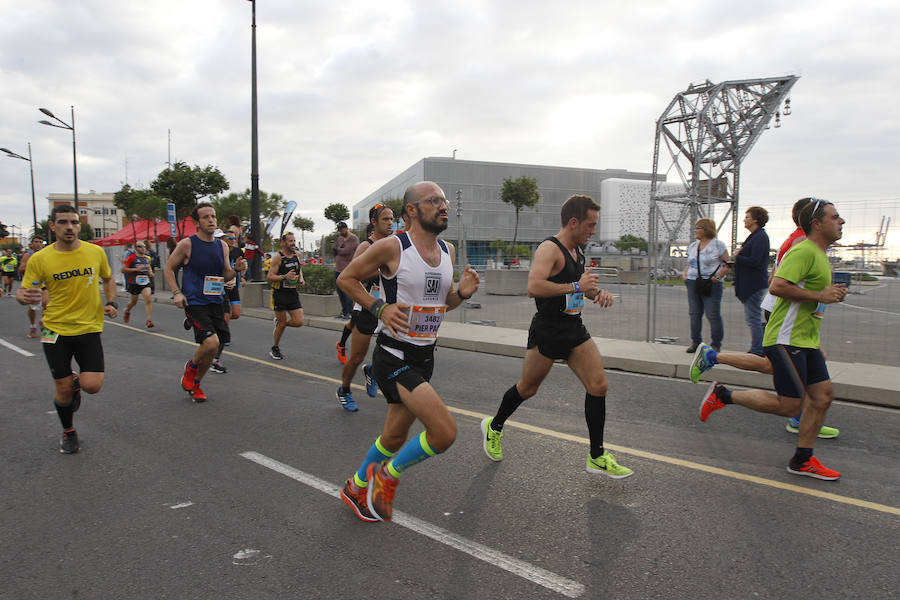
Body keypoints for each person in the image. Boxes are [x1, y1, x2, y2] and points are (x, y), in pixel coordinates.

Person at [336, 181, 479, 523]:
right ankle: (388, 475)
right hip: (394, 356)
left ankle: (355, 487)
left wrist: (462, 293)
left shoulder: (448, 252)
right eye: (434, 201)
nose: (443, 206)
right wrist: (378, 308)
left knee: (394, 436)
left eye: (444, 201)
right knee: (444, 432)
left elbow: (443, 303)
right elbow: (347, 278)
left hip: (425, 355)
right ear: (412, 210)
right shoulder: (392, 247)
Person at [480, 194, 632, 478]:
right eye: (590, 225)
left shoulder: (579, 251)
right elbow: (534, 286)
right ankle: (495, 426)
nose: (593, 230)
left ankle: (596, 456)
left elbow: (581, 287)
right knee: (527, 388)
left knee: (598, 385)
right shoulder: (550, 248)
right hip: (548, 329)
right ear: (573, 222)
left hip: (574, 328)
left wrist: (597, 293)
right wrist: (576, 285)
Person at [699, 199, 847, 480]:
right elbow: (777, 286)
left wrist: (830, 294)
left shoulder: (819, 253)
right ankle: (723, 395)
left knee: (822, 397)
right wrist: (820, 296)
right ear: (817, 223)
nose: (841, 222)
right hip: (786, 338)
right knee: (791, 405)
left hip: (807, 340)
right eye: (835, 217)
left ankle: (802, 460)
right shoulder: (803, 250)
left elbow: (810, 293)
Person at [16, 205, 119, 453]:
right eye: (63, 222)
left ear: (79, 226)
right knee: (62, 390)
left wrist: (112, 302)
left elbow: (108, 278)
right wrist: (23, 296)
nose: (69, 227)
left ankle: (76, 383)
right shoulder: (40, 259)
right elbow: (23, 291)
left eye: (74, 222)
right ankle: (68, 431)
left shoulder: (95, 252)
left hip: (89, 328)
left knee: (92, 385)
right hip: (54, 329)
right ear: (53, 226)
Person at [164, 203, 245, 403]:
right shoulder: (187, 244)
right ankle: (191, 368)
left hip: (216, 300)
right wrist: (176, 292)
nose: (211, 220)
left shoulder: (222, 246)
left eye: (213, 216)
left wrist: (236, 269)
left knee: (215, 346)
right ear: (196, 222)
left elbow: (225, 273)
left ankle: (196, 381)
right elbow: (168, 268)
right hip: (195, 302)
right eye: (205, 217)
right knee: (211, 342)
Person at [335, 204, 395, 411]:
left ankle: (372, 371)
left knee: (393, 354)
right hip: (368, 308)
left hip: (388, 309)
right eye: (385, 219)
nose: (390, 223)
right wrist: (382, 270)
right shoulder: (366, 246)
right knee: (357, 357)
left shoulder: (394, 245)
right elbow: (353, 276)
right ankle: (344, 390)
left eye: (392, 219)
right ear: (374, 222)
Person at [682, 218, 730, 353]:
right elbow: (689, 263)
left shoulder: (718, 245)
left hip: (711, 283)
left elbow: (728, 264)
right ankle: (695, 342)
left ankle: (716, 343)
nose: (695, 231)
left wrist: (718, 277)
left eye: (698, 228)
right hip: (693, 282)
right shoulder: (693, 246)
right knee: (694, 313)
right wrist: (685, 274)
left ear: (706, 229)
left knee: (712, 314)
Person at [733, 207, 770, 356]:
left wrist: (738, 256)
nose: (744, 219)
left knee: (753, 318)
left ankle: (758, 349)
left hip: (753, 284)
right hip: (750, 284)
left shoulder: (760, 237)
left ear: (755, 219)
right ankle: (758, 347)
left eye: (747, 217)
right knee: (753, 317)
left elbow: (755, 260)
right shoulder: (755, 236)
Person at [211, 225, 248, 374]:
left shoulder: (237, 251)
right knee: (223, 324)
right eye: (229, 238)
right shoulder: (215, 252)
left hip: (232, 287)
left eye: (234, 238)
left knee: (235, 314)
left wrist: (241, 275)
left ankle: (210, 322)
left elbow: (239, 267)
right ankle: (215, 359)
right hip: (219, 289)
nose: (232, 240)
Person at [267, 232, 305, 360]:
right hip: (279, 293)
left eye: (294, 240)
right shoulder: (278, 257)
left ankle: (280, 323)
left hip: (292, 293)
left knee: (299, 322)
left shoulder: (297, 255)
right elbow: (270, 277)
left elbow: (299, 269)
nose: (293, 243)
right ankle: (275, 348)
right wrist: (284, 277)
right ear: (283, 243)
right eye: (290, 241)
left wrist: (301, 278)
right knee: (282, 323)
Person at [122, 241, 155, 328]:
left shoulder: (148, 258)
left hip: (145, 282)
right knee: (134, 302)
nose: (143, 248)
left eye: (144, 246)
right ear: (136, 248)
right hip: (134, 282)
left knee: (148, 299)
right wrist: (135, 269)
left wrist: (150, 272)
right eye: (140, 246)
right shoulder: (131, 258)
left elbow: (149, 267)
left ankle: (149, 321)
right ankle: (127, 310)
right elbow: (123, 269)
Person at [18, 236, 44, 337]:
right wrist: (32, 264)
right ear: (31, 244)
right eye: (36, 242)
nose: (38, 244)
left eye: (40, 242)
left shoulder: (46, 254)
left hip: (45, 284)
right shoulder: (27, 255)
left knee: (47, 305)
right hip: (33, 285)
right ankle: (33, 326)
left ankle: (45, 327)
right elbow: (20, 269)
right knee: (33, 307)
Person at [333, 221, 359, 319]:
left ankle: (350, 312)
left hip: (347, 268)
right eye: (339, 230)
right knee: (339, 291)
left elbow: (347, 251)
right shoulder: (340, 238)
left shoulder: (354, 238)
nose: (340, 232)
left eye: (341, 230)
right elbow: (336, 248)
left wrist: (338, 250)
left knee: (346, 291)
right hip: (338, 268)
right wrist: (337, 249)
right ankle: (344, 311)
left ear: (346, 228)